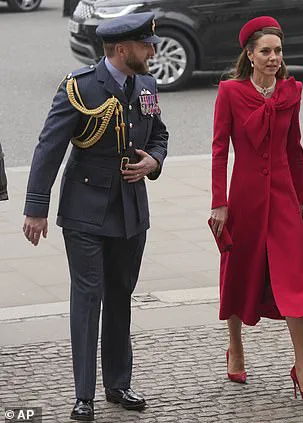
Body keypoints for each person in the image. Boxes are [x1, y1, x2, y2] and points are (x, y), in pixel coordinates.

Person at [22, 13, 168, 421]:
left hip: (130, 213)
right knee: (88, 299)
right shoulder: (81, 87)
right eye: (145, 45)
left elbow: (159, 133)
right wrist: (36, 208)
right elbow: (48, 147)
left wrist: (152, 161)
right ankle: (83, 395)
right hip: (86, 211)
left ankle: (118, 384)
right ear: (123, 50)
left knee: (121, 296)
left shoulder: (147, 85)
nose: (152, 51)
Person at [209, 16, 303, 401]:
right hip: (243, 198)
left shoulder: (291, 92)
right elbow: (218, 151)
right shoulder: (230, 92)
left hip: (282, 199)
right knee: (239, 272)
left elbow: (295, 148)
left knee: (296, 278)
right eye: (266, 51)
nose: (274, 57)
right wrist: (219, 204)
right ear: (249, 53)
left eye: (278, 51)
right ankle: (236, 346)